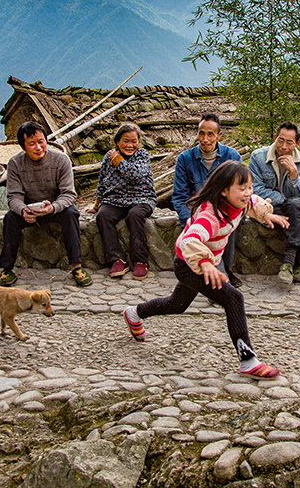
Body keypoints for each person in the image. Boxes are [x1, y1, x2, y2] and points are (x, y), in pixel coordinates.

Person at [122, 161, 288, 379]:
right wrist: (206, 263)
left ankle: (134, 313)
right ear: (224, 190)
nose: (248, 192)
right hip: (189, 265)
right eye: (242, 187)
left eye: (249, 186)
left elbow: (253, 201)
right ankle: (248, 360)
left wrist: (265, 213)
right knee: (234, 299)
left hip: (203, 265)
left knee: (177, 304)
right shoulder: (210, 215)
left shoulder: (237, 202)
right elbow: (189, 240)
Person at [0, 121, 87, 287]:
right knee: (10, 218)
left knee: (72, 213)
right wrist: (23, 210)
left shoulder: (61, 160)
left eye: (41, 141)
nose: (38, 147)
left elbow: (68, 194)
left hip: (55, 207)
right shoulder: (15, 164)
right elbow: (14, 196)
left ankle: (76, 266)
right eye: (32, 144)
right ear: (23, 147)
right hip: (30, 210)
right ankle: (6, 268)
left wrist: (52, 208)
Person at [172, 113, 244, 287]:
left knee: (227, 223)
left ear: (219, 136)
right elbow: (180, 196)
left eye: (210, 134)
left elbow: (243, 189)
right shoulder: (185, 159)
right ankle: (217, 273)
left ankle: (225, 267)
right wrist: (190, 218)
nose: (205, 139)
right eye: (201, 133)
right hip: (197, 212)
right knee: (203, 227)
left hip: (225, 210)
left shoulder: (231, 156)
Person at [90, 123, 156, 281]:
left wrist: (118, 160)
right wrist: (97, 205)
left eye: (134, 141)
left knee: (134, 215)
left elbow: (135, 175)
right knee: (103, 216)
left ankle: (140, 260)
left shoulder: (143, 155)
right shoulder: (109, 156)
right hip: (116, 199)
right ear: (117, 141)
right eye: (126, 141)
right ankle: (116, 259)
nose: (130, 145)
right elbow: (102, 181)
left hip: (142, 198)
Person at [249, 121, 300, 284]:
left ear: (297, 143)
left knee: (296, 205)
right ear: (275, 138)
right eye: (280, 140)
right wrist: (285, 200)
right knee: (297, 209)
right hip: (268, 210)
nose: (284, 146)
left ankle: (288, 263)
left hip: (292, 209)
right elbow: (256, 190)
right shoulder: (258, 157)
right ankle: (296, 263)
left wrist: (293, 173)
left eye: (289, 142)